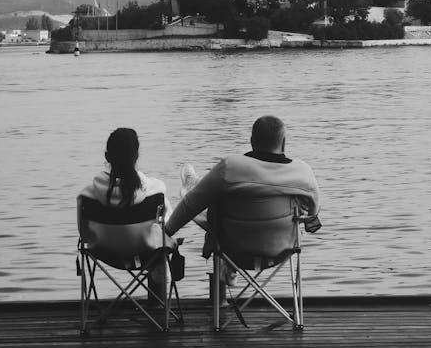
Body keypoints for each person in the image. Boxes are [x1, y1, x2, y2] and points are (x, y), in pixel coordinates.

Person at [164, 115, 321, 291]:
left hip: (233, 250)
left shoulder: (231, 167)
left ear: (252, 141)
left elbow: (189, 206)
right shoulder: (302, 172)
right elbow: (313, 213)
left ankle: (193, 185)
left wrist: (167, 231)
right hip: (281, 251)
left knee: (207, 202)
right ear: (283, 143)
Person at [78, 127, 174, 303]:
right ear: (136, 156)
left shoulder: (86, 196)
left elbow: (84, 234)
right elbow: (169, 226)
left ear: (107, 157)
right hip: (147, 252)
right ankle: (160, 294)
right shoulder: (156, 191)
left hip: (104, 253)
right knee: (164, 225)